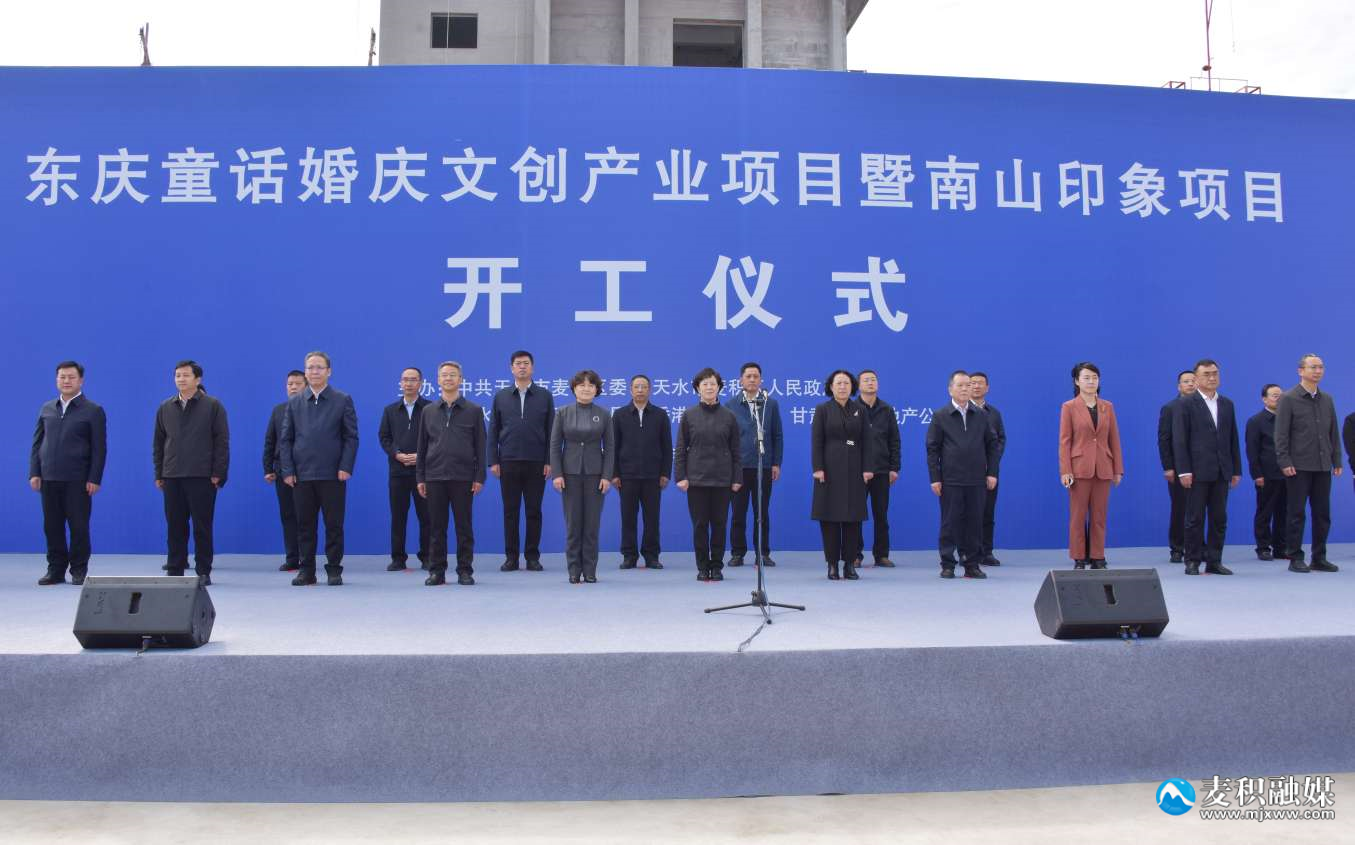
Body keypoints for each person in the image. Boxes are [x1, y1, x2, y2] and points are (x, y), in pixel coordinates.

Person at [279, 351, 359, 586]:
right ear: (305, 372)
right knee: (305, 526)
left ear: (329, 371)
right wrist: (288, 470)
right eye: (310, 367)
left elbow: (351, 437)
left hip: (333, 474)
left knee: (334, 525)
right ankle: (307, 571)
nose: (314, 371)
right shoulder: (295, 402)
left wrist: (345, 466)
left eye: (319, 367)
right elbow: (286, 439)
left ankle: (334, 569)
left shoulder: (342, 400)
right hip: (302, 475)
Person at [152, 360, 230, 585]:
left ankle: (203, 570)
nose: (181, 379)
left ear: (198, 379)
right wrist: (159, 473)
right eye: (177, 375)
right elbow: (158, 443)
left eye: (186, 375)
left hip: (202, 476)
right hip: (172, 476)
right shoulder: (165, 407)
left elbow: (222, 442)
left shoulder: (213, 406)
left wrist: (218, 472)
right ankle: (175, 568)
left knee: (202, 527)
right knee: (175, 525)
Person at [29, 360, 106, 586]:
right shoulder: (47, 408)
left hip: (78, 480)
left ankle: (79, 569)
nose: (66, 381)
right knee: (52, 527)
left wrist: (94, 477)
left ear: (81, 380)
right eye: (62, 377)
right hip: (49, 478)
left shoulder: (93, 410)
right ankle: (55, 570)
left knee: (78, 527)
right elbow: (37, 443)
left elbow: (99, 448)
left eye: (71, 377)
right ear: (56, 380)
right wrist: (34, 472)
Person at [416, 362, 485, 586]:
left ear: (461, 380)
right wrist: (421, 477)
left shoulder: (473, 410)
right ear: (438, 380)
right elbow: (422, 447)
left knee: (464, 527)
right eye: (444, 375)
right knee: (437, 528)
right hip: (434, 476)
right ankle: (437, 571)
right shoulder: (428, 411)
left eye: (453, 375)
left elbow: (480, 446)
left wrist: (479, 477)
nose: (448, 379)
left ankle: (465, 570)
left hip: (463, 477)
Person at [926, 371, 1000, 579]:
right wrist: (935, 478)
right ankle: (948, 564)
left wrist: (992, 473)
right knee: (950, 523)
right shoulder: (941, 415)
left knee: (974, 523)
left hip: (977, 479)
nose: (966, 389)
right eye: (960, 385)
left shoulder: (982, 415)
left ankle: (972, 564)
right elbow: (932, 449)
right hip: (951, 479)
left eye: (968, 385)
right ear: (950, 389)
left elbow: (992, 446)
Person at [1171, 360, 1241, 576]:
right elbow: (1180, 440)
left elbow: (1233, 438)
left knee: (1219, 519)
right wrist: (1184, 470)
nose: (1212, 378)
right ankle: (1192, 560)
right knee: (1195, 518)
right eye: (1207, 374)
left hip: (1221, 470)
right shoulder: (1185, 404)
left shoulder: (1227, 404)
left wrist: (1236, 469)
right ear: (1197, 378)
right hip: (1196, 471)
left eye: (1215, 373)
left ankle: (1214, 561)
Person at [1274, 354, 1342, 573]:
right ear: (1300, 371)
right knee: (1296, 513)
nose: (1318, 371)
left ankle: (1319, 557)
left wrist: (1336, 459)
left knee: (1322, 514)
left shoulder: (1327, 399)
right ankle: (1294, 557)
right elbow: (1281, 434)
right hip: (1298, 466)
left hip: (1322, 465)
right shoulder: (1288, 398)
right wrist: (1284, 460)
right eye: (1313, 367)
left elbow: (1333, 432)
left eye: (1321, 367)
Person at [489, 350, 555, 573]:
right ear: (511, 368)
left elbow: (551, 431)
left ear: (532, 368)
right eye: (518, 363)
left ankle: (532, 557)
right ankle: (511, 557)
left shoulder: (544, 396)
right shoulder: (501, 396)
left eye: (526, 363)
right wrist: (493, 460)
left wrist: (549, 460)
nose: (522, 367)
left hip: (537, 462)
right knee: (511, 512)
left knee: (534, 511)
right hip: (508, 461)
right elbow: (493, 429)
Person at [675, 368, 742, 582]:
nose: (709, 387)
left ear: (719, 387)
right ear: (697, 388)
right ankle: (703, 566)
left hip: (723, 480)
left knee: (720, 525)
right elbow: (681, 448)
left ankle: (717, 566)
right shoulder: (689, 415)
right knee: (700, 525)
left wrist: (737, 478)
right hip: (696, 480)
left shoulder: (729, 416)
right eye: (705, 384)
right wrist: (680, 476)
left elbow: (736, 451)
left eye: (713, 383)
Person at [1058, 362, 1124, 570]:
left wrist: (1118, 469)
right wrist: (1066, 470)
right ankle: (1079, 557)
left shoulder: (1107, 406)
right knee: (1078, 517)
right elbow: (1065, 441)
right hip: (1079, 469)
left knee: (1099, 516)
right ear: (1077, 381)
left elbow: (1114, 439)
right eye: (1086, 377)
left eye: (1095, 377)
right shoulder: (1069, 407)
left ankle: (1097, 556)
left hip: (1103, 467)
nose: (1091, 381)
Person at [550, 370, 614, 584]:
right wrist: (557, 474)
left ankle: (590, 570)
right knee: (573, 524)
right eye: (581, 385)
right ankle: (574, 570)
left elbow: (610, 448)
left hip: (596, 475)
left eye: (591, 385)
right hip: (569, 475)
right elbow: (554, 445)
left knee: (592, 525)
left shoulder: (604, 414)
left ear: (596, 390)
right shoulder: (562, 413)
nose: (586, 389)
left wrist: (607, 476)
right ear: (574, 389)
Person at [812, 370, 874, 580]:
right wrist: (818, 468)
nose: (842, 387)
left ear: (852, 387)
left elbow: (867, 441)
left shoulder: (860, 410)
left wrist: (867, 468)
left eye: (846, 383)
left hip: (855, 469)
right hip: (828, 470)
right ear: (831, 387)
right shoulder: (823, 409)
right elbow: (817, 441)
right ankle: (832, 564)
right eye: (838, 383)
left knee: (852, 519)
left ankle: (849, 563)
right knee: (829, 519)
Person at [725, 363, 783, 567]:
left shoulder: (770, 404)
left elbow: (777, 435)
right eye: (748, 376)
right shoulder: (730, 405)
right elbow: (727, 438)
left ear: (761, 380)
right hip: (739, 468)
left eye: (755, 376)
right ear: (740, 380)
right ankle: (737, 553)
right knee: (738, 513)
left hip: (763, 466)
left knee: (762, 513)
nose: (752, 379)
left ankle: (762, 553)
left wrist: (776, 463)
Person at [610, 375, 672, 570]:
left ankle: (651, 556)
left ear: (650, 390)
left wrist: (665, 473)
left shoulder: (660, 415)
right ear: (630, 390)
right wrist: (614, 473)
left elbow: (667, 446)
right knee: (628, 518)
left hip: (653, 476)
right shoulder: (619, 415)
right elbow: (613, 447)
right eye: (636, 387)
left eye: (643, 387)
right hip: (626, 476)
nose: (640, 390)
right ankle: (629, 555)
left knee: (652, 519)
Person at [379, 367, 430, 572]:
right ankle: (398, 558)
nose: (409, 383)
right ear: (400, 383)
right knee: (398, 517)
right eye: (405, 380)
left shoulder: (430, 408)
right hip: (398, 471)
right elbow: (384, 437)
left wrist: (420, 455)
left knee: (426, 517)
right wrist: (396, 454)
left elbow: (436, 437)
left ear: (421, 383)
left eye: (413, 380)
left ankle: (427, 556)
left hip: (423, 472)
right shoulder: (390, 410)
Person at [856, 369, 900, 568]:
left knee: (881, 514)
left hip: (882, 470)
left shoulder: (886, 409)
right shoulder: (852, 408)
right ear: (859, 385)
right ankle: (855, 554)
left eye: (873, 380)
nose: (870, 383)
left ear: (878, 384)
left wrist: (894, 467)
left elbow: (894, 440)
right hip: (857, 471)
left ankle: (881, 554)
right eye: (866, 380)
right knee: (856, 514)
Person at [263, 370, 305, 572]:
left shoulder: (313, 409)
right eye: (290, 384)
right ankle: (292, 557)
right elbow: (270, 441)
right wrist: (268, 468)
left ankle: (307, 557)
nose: (293, 387)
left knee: (305, 517)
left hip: (307, 470)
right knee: (288, 515)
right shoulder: (278, 410)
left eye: (297, 383)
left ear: (306, 386)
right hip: (283, 470)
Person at [1246, 384, 1288, 562]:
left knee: (1284, 512)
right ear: (1264, 399)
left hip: (1288, 473)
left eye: (1281, 395)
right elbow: (1252, 451)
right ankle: (1263, 548)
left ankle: (1281, 547)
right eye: (1275, 395)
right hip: (1267, 474)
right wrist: (1257, 474)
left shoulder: (1288, 419)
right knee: (1265, 512)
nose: (1279, 398)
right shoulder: (1256, 421)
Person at [1158, 371, 1196, 563]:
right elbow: (1164, 439)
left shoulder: (1205, 407)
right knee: (1180, 508)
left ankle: (1197, 546)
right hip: (1178, 467)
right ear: (1179, 386)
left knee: (1198, 509)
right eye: (1186, 381)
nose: (1190, 384)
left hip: (1201, 466)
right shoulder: (1170, 408)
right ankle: (1177, 548)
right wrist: (1168, 467)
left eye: (1193, 381)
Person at [967, 371, 1005, 566]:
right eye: (972, 383)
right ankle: (967, 552)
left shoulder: (994, 414)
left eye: (980, 383)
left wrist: (991, 465)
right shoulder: (961, 411)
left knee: (987, 513)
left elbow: (1000, 441)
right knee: (966, 515)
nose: (976, 386)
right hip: (965, 472)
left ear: (987, 388)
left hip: (989, 471)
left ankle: (986, 552)